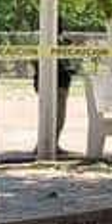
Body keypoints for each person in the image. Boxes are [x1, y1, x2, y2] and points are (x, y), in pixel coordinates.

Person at [33, 18, 78, 155]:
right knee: (57, 117)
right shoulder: (52, 43)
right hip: (57, 84)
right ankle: (45, 145)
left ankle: (51, 143)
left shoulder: (55, 42)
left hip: (58, 83)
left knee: (56, 116)